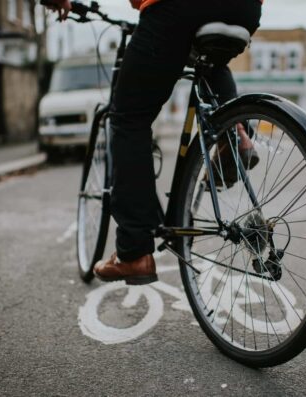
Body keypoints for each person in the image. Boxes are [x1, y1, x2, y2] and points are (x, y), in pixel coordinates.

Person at [43, 0, 263, 284]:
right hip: (244, 8)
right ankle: (236, 136)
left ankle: (134, 252)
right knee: (210, 63)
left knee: (127, 118)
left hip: (176, 8)